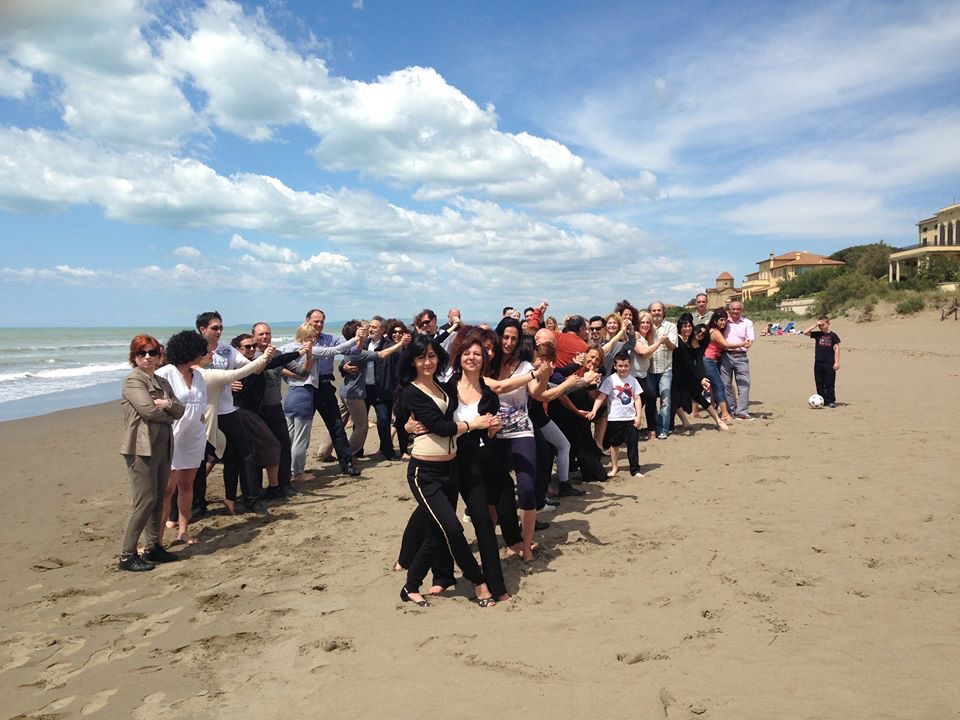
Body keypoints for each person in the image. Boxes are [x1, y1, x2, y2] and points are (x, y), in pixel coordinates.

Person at [394, 334, 496, 608]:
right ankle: (478, 581)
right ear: (412, 362)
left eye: (431, 356)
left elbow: (451, 413)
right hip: (424, 473)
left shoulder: (441, 387)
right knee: (453, 529)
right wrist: (474, 424)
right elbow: (441, 427)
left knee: (437, 532)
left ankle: (411, 586)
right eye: (420, 357)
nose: (427, 361)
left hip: (451, 468)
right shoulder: (411, 391)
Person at [119, 335, 185, 571]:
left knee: (158, 498)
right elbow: (148, 411)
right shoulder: (133, 381)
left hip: (162, 445)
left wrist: (167, 405)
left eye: (152, 353)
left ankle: (152, 546)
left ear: (160, 356)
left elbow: (180, 409)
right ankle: (127, 556)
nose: (147, 357)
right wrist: (168, 410)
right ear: (134, 357)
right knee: (144, 501)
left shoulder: (161, 381)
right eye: (141, 353)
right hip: (141, 448)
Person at [491, 317, 548, 562]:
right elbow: (498, 388)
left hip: (522, 431)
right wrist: (535, 373)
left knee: (526, 489)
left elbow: (536, 392)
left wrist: (544, 374)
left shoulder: (526, 366)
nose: (509, 342)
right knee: (494, 493)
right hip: (494, 434)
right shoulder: (489, 365)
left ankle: (525, 546)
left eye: (514, 338)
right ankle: (491, 539)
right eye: (505, 336)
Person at [155, 330, 211, 545]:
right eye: (200, 350)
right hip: (172, 435)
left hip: (194, 436)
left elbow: (202, 403)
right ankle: (157, 540)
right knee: (167, 489)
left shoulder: (198, 376)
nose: (203, 354)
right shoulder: (166, 373)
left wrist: (200, 417)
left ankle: (184, 530)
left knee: (187, 485)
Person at [305, 309, 366, 476]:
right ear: (307, 320)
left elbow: (353, 351)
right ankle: (295, 469)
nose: (318, 324)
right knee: (302, 429)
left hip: (324, 386)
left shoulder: (331, 339)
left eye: (321, 321)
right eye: (315, 321)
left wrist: (359, 340)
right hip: (305, 387)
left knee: (337, 426)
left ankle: (347, 464)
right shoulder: (299, 340)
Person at [587, 350, 644, 477]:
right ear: (615, 366)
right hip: (614, 418)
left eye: (625, 366)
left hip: (630, 418)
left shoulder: (633, 380)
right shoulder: (610, 380)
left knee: (632, 444)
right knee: (614, 444)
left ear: (630, 366)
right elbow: (601, 397)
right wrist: (594, 411)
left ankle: (635, 469)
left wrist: (638, 416)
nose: (623, 369)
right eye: (620, 366)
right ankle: (614, 467)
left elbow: (637, 399)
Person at [670, 314, 729, 432]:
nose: (687, 329)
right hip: (676, 375)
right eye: (684, 326)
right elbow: (687, 361)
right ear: (680, 327)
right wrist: (701, 378)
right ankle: (684, 423)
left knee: (699, 397)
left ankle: (718, 421)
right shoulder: (677, 339)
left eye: (689, 326)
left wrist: (702, 377)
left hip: (688, 375)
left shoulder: (694, 343)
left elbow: (698, 363)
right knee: (675, 399)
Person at [282, 322, 318, 483]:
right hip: (303, 395)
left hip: (290, 395)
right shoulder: (308, 351)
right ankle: (298, 472)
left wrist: (287, 376)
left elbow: (275, 362)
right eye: (312, 336)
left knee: (290, 437)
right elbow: (334, 350)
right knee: (301, 439)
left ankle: (288, 471)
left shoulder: (287, 348)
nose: (314, 339)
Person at [703, 309, 748, 424]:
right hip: (709, 360)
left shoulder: (717, 330)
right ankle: (725, 413)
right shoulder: (715, 332)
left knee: (714, 386)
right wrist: (742, 344)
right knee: (719, 385)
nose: (723, 322)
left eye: (725, 320)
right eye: (721, 320)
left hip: (714, 360)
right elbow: (726, 345)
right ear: (715, 320)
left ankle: (715, 409)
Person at [720, 300, 755, 420]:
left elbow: (750, 339)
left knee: (744, 384)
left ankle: (742, 411)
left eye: (738, 309)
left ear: (742, 310)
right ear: (729, 310)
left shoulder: (747, 323)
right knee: (726, 385)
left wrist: (748, 343)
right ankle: (729, 410)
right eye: (733, 309)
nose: (735, 311)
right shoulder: (724, 322)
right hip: (725, 355)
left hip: (741, 357)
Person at [648, 301, 678, 439]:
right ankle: (653, 427)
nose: (656, 313)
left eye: (659, 310)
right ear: (650, 312)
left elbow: (673, 347)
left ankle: (663, 429)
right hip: (649, 370)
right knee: (651, 399)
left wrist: (667, 342)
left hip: (666, 369)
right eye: (654, 310)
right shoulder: (646, 327)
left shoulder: (671, 326)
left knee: (666, 400)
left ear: (663, 312)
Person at [803, 316, 841, 407]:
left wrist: (837, 362)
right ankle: (822, 400)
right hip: (818, 362)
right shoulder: (818, 334)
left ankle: (831, 400)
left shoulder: (833, 335)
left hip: (829, 363)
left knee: (829, 383)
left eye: (823, 325)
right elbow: (805, 332)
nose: (821, 327)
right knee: (819, 383)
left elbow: (837, 349)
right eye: (820, 326)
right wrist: (815, 325)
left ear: (828, 324)